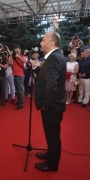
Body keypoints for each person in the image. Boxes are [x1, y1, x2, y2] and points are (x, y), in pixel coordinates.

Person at [29, 32, 66, 172]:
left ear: (51, 43)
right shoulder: (56, 56)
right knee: (51, 134)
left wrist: (46, 105)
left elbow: (51, 84)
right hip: (54, 105)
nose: (40, 43)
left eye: (43, 40)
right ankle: (50, 154)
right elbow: (47, 75)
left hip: (52, 106)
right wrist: (35, 68)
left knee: (53, 135)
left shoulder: (53, 58)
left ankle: (52, 164)